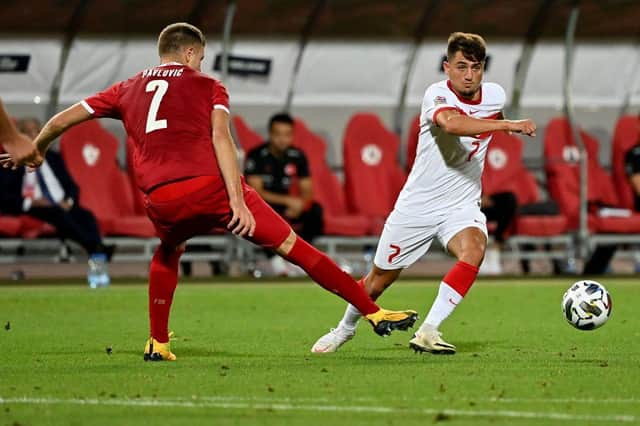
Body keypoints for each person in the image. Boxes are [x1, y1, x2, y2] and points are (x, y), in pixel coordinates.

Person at [0, 22, 417, 361]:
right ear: (188, 54)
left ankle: (158, 343)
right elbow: (222, 139)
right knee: (295, 246)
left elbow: (62, 119)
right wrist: (237, 199)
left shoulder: (125, 88)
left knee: (167, 252)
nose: (200, 63)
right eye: (199, 56)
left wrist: (35, 150)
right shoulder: (207, 86)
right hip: (211, 190)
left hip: (160, 199)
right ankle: (374, 311)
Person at [311, 32, 536, 354]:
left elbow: (486, 118)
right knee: (378, 281)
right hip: (417, 206)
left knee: (474, 249)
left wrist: (500, 122)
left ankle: (429, 330)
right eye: (461, 67)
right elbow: (453, 125)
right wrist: (507, 126)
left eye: (476, 67)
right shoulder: (436, 95)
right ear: (447, 67)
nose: (469, 75)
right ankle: (344, 329)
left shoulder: (495, 96)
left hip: (461, 203)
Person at [0, 118, 113, 282]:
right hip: (31, 206)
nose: (33, 136)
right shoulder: (11, 160)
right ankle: (96, 250)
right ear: (19, 136)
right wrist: (31, 202)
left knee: (86, 215)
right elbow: (4, 195)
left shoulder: (53, 157)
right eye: (27, 133)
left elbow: (71, 186)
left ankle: (96, 251)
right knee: (56, 213)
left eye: (36, 131)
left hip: (62, 204)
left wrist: (70, 201)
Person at [245, 113, 324, 275]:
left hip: (288, 207)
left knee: (315, 211)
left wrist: (300, 204)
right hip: (264, 205)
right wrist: (288, 201)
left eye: (287, 135)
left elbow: (307, 190)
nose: (282, 139)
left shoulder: (297, 156)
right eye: (278, 134)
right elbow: (255, 192)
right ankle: (275, 261)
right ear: (270, 134)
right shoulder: (256, 156)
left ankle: (298, 258)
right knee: (257, 214)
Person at [480, 191, 518, 274]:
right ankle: (490, 249)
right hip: (473, 208)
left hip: (493, 209)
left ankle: (494, 248)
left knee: (510, 199)